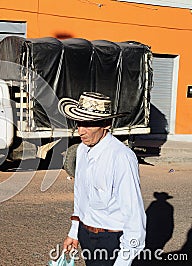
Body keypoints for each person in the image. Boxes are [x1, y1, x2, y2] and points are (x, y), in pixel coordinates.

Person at [58, 92, 146, 266]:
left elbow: (134, 216)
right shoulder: (82, 150)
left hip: (111, 240)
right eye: (79, 123)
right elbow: (81, 196)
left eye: (88, 124)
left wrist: (123, 261)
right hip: (86, 236)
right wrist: (74, 232)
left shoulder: (121, 157)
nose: (80, 131)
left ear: (106, 124)